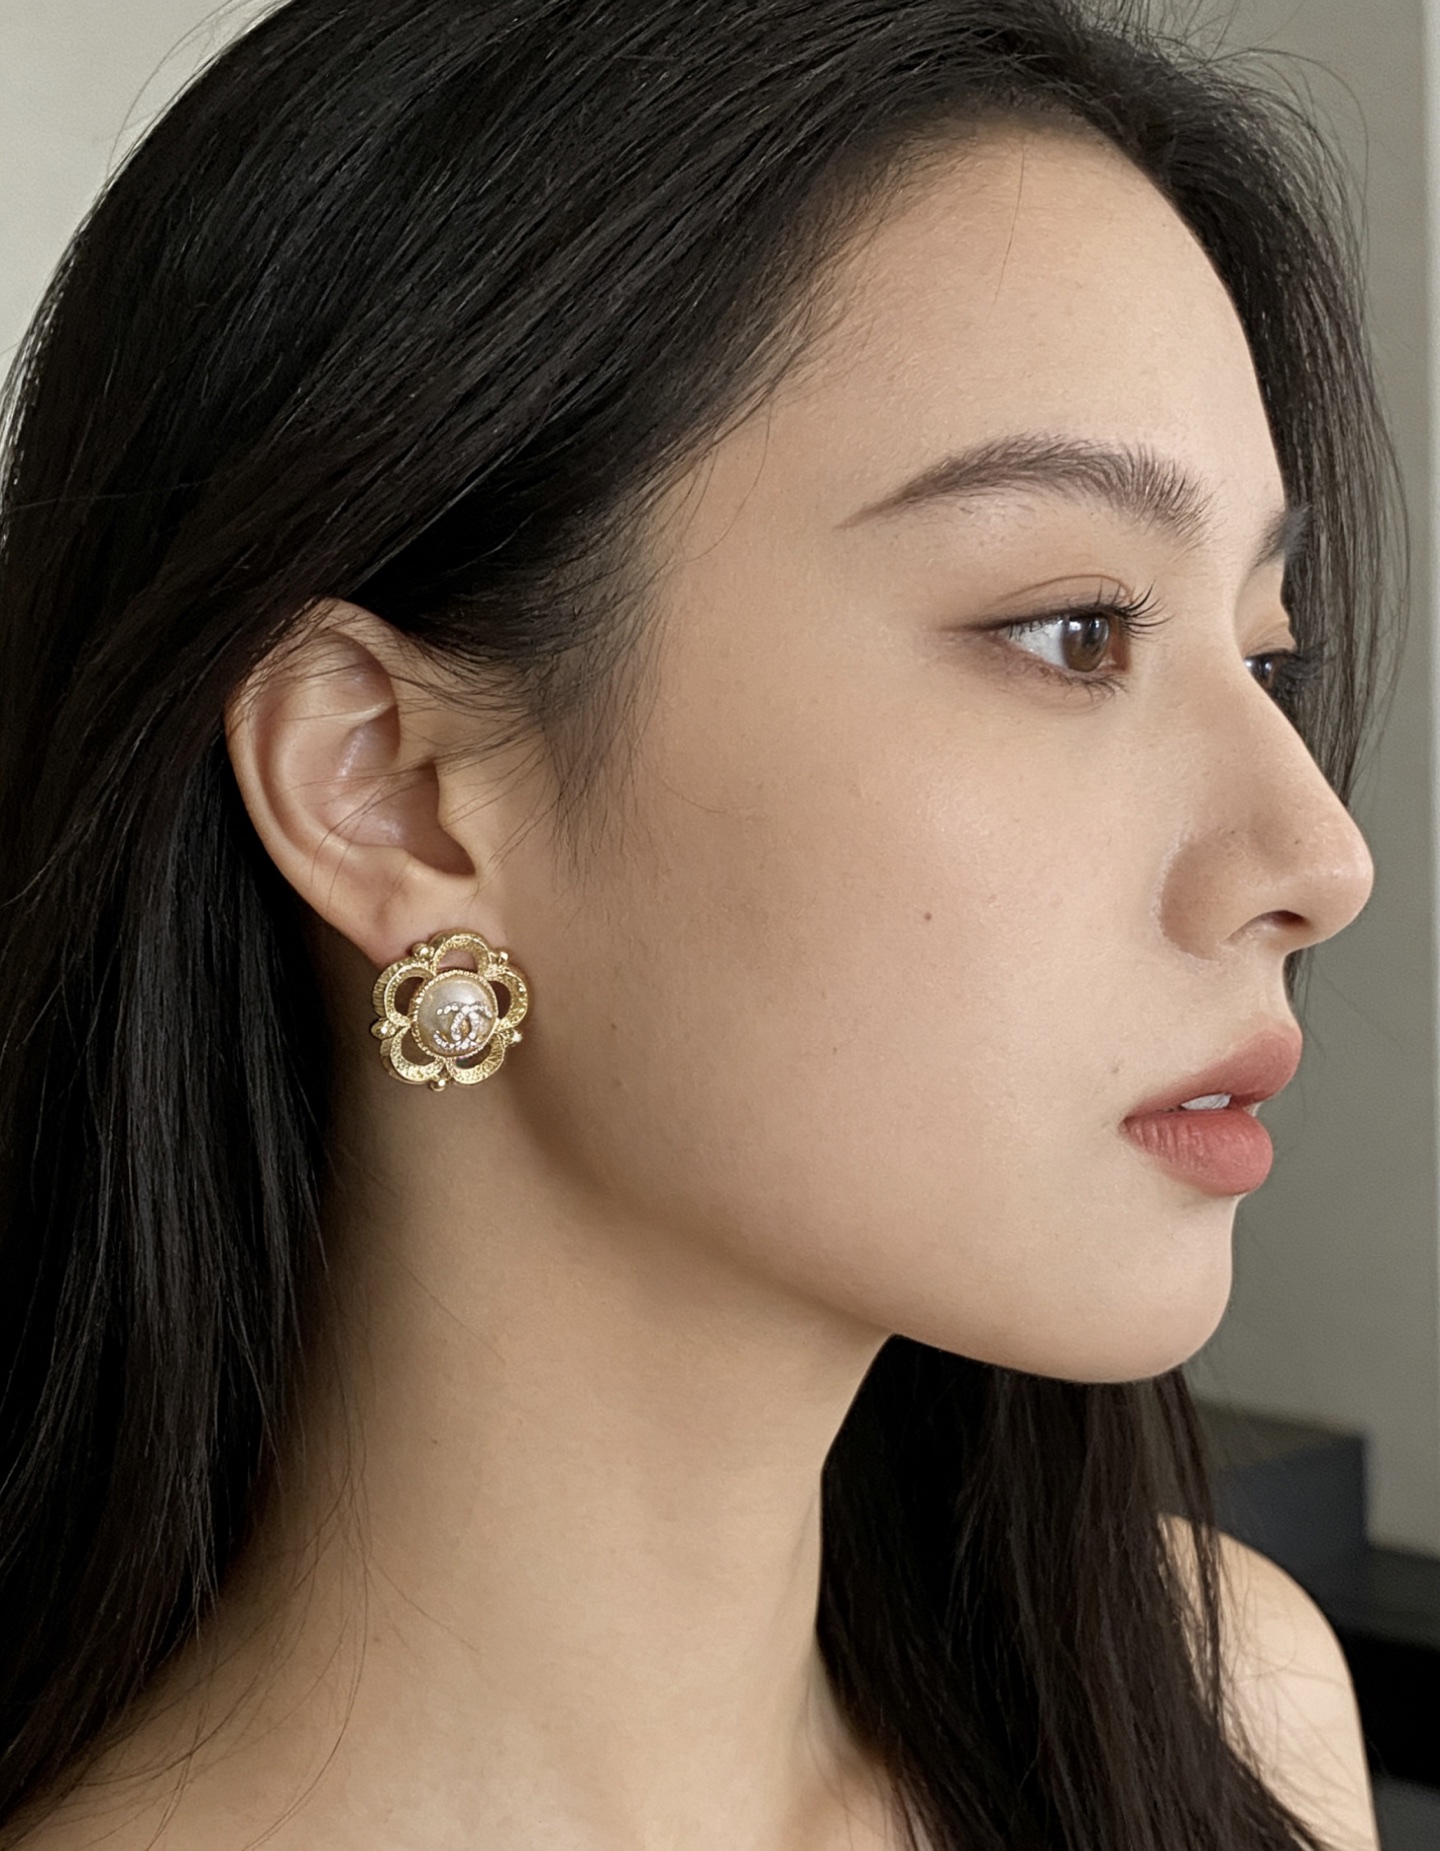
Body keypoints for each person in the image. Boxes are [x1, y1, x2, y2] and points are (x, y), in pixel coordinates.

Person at [0, 0, 1397, 1844]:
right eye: (1074, 630)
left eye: (1266, 655)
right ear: (389, 786)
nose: (1318, 858)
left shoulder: (1227, 1707)